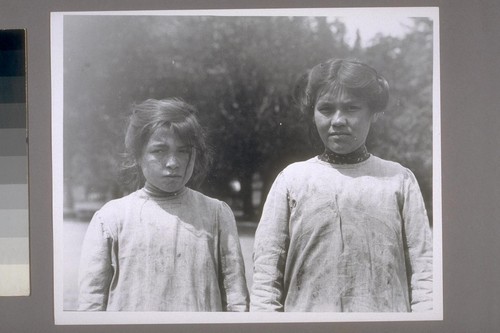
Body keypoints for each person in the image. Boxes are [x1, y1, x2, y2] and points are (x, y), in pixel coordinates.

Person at [251, 59, 433, 312]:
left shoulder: (398, 179)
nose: (338, 120)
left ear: (373, 112)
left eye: (351, 108)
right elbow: (267, 270)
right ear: (313, 113)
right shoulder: (293, 179)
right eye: (326, 109)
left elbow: (425, 269)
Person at [78, 98, 249, 311]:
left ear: (195, 154)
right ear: (138, 155)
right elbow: (91, 304)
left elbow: (236, 300)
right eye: (159, 151)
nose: (173, 162)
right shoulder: (111, 219)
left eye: (183, 151)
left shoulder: (216, 214)